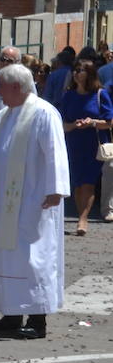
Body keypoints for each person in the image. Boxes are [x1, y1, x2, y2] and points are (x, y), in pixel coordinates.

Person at [0, 64, 70, 340]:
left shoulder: (44, 113)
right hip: (5, 203)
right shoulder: (5, 115)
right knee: (7, 257)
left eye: (1, 88)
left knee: (34, 258)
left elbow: (55, 151)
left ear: (16, 87)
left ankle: (37, 318)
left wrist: (56, 189)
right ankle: (12, 313)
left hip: (34, 201)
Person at [57, 58, 112, 235]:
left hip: (92, 144)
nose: (76, 73)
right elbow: (63, 123)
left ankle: (83, 219)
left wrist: (92, 122)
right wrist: (74, 125)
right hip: (73, 143)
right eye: (75, 69)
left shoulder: (100, 94)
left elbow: (109, 122)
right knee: (78, 183)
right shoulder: (68, 95)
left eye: (80, 70)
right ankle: (82, 214)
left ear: (89, 73)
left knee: (88, 183)